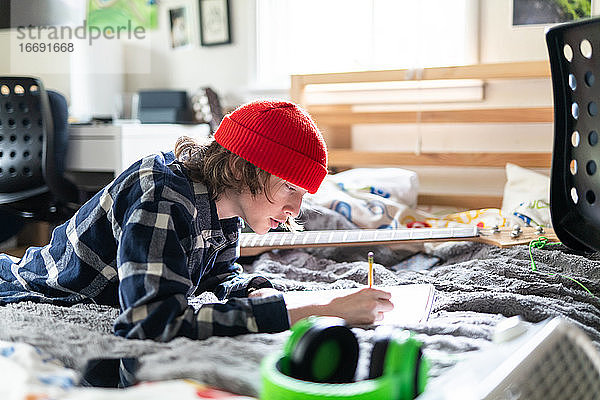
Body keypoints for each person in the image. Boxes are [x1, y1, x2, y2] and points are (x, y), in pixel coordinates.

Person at [0, 100, 393, 341]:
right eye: (290, 188)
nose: (295, 210)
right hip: (41, 290)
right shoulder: (162, 196)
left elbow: (218, 277)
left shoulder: (226, 204)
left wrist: (257, 292)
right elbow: (150, 322)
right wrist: (319, 310)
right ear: (242, 170)